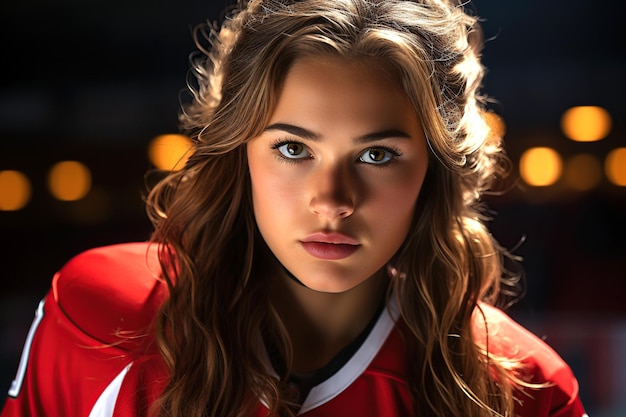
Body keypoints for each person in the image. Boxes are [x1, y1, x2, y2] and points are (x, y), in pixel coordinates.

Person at [1, 0, 588, 416]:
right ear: (241, 152)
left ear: (433, 171)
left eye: (378, 154)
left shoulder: (523, 389)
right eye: (293, 148)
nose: (332, 200)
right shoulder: (96, 314)